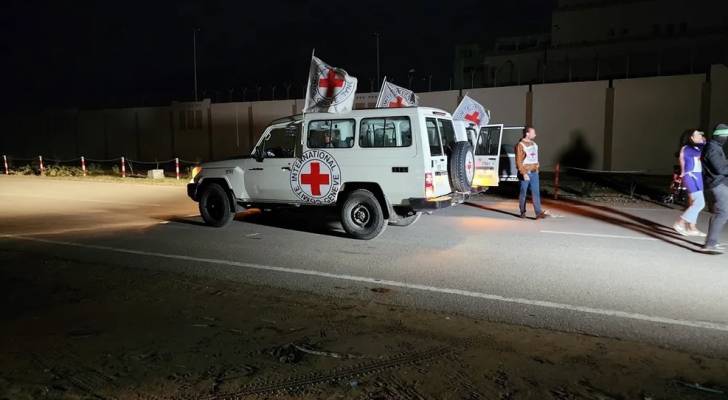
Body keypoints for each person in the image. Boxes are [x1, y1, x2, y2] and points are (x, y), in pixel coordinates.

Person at [673, 129, 706, 236]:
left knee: (695, 203)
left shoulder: (695, 148)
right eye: (698, 134)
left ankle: (692, 228)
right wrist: (704, 143)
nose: (701, 136)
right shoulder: (687, 148)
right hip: (691, 176)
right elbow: (703, 153)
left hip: (697, 176)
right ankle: (680, 223)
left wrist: (702, 143)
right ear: (691, 137)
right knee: (699, 203)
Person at [701, 124, 728, 254]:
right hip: (717, 185)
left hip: (718, 184)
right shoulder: (712, 149)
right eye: (725, 136)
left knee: (719, 212)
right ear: (720, 136)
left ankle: (711, 241)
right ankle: (710, 243)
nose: (726, 139)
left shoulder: (715, 147)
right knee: (722, 213)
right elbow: (721, 169)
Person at [516, 126, 548, 219]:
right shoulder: (520, 145)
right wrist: (524, 173)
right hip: (525, 172)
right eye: (533, 133)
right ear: (527, 133)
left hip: (534, 173)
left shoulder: (534, 144)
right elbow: (518, 161)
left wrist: (537, 167)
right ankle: (522, 212)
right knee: (523, 193)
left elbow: (535, 158)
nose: (535, 135)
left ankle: (538, 213)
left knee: (536, 193)